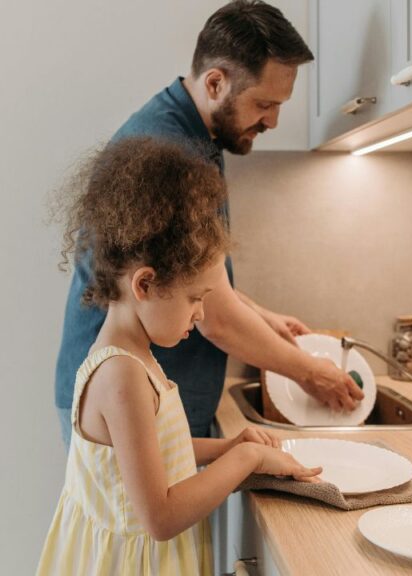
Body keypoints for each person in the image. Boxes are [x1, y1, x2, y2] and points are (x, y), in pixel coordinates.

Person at [55, 0, 363, 442]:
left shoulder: (195, 135)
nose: (273, 120)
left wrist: (260, 314)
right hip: (121, 407)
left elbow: (188, 271)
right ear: (215, 82)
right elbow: (215, 319)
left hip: (140, 401)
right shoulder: (170, 151)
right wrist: (311, 373)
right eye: (263, 103)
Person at [38, 137, 322, 576]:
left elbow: (154, 453)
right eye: (194, 298)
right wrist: (248, 459)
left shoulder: (134, 356)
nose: (201, 313)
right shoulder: (122, 375)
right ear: (145, 285)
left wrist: (227, 447)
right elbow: (161, 518)